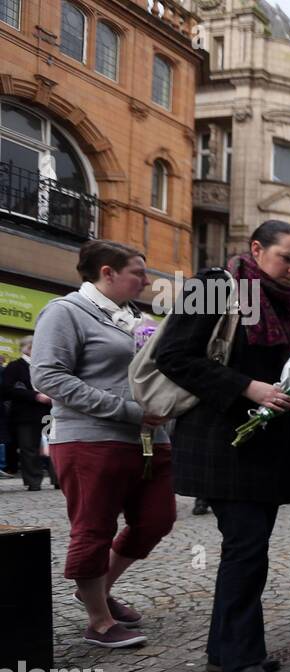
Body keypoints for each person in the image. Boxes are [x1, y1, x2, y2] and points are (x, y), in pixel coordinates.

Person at [154, 219, 290, 672]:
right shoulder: (217, 287)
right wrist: (247, 387)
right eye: (286, 258)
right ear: (256, 248)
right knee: (246, 549)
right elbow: (175, 356)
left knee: (249, 549)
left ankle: (224, 645)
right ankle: (241, 658)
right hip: (222, 440)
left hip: (271, 444)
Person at [30, 240, 176, 648]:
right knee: (92, 527)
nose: (147, 282)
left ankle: (96, 588)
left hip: (150, 439)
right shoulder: (66, 312)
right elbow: (49, 378)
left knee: (156, 519)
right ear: (107, 273)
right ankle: (98, 620)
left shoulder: (136, 318)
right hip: (90, 439)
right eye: (138, 273)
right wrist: (129, 411)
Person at [2, 336, 55, 490]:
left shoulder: (45, 366)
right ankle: (34, 482)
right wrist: (35, 396)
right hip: (26, 415)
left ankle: (58, 479)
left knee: (53, 445)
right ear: (28, 348)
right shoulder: (14, 366)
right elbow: (7, 390)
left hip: (48, 413)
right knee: (28, 448)